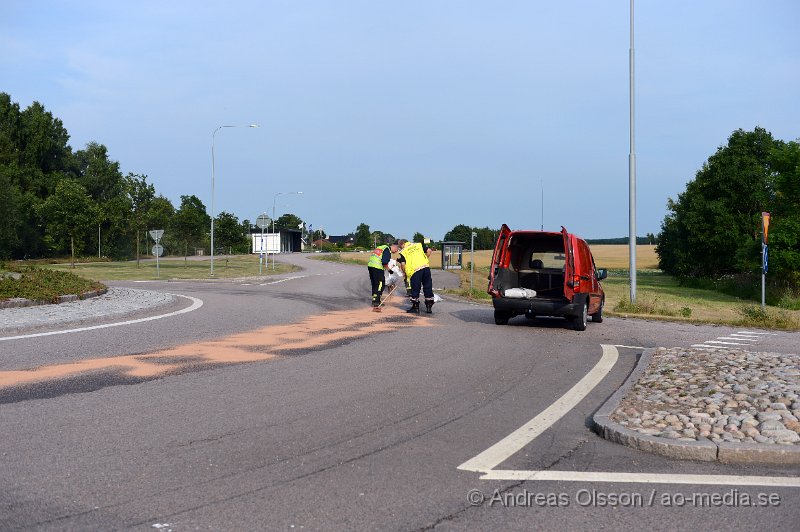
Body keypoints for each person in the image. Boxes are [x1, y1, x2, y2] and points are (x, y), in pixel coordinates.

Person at [395, 239, 435, 313]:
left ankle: (415, 307)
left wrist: (404, 273)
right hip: (425, 267)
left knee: (415, 288)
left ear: (402, 244)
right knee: (427, 286)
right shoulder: (418, 245)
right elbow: (429, 251)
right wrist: (424, 259)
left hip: (415, 270)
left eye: (400, 246)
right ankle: (429, 307)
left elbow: (403, 264)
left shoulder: (403, 251)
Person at [367, 242, 395, 311]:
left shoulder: (380, 247)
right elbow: (384, 262)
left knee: (375, 284)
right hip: (377, 267)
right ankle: (376, 302)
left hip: (371, 266)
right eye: (396, 250)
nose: (395, 252)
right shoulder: (387, 250)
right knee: (380, 284)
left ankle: (375, 299)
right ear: (394, 247)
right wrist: (390, 271)